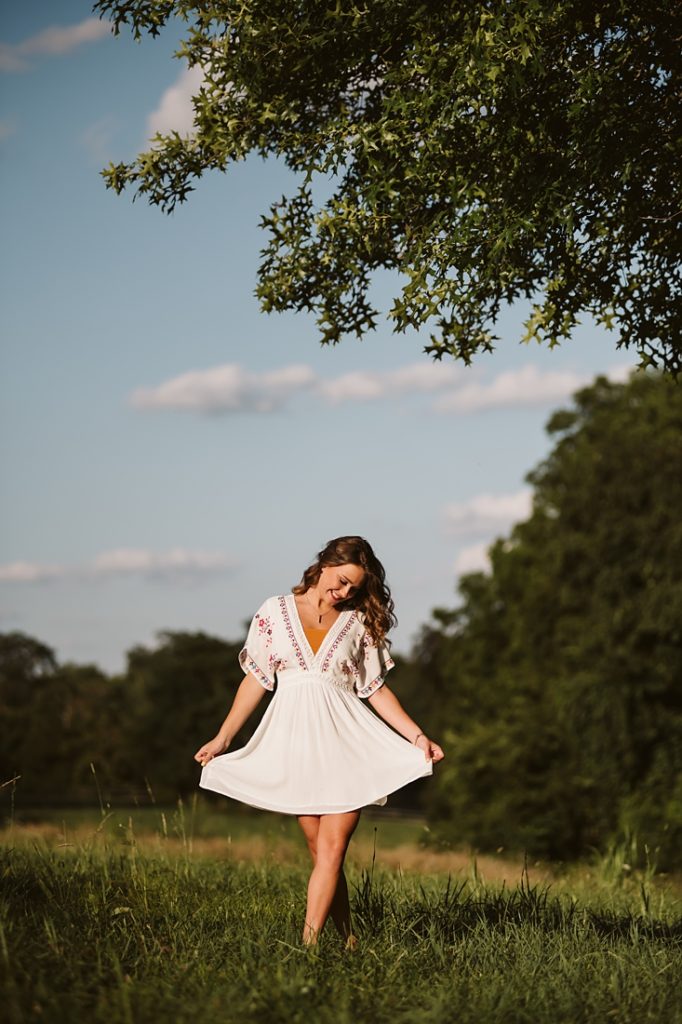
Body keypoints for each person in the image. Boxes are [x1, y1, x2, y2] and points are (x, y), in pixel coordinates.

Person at [194, 536, 444, 947]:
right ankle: (349, 938)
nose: (345, 592)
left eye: (354, 588)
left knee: (332, 848)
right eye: (343, 581)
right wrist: (223, 738)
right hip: (297, 747)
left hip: (346, 745)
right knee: (319, 851)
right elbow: (256, 679)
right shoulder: (274, 612)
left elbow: (376, 690)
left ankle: (307, 947)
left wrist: (417, 735)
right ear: (326, 563)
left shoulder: (358, 623)